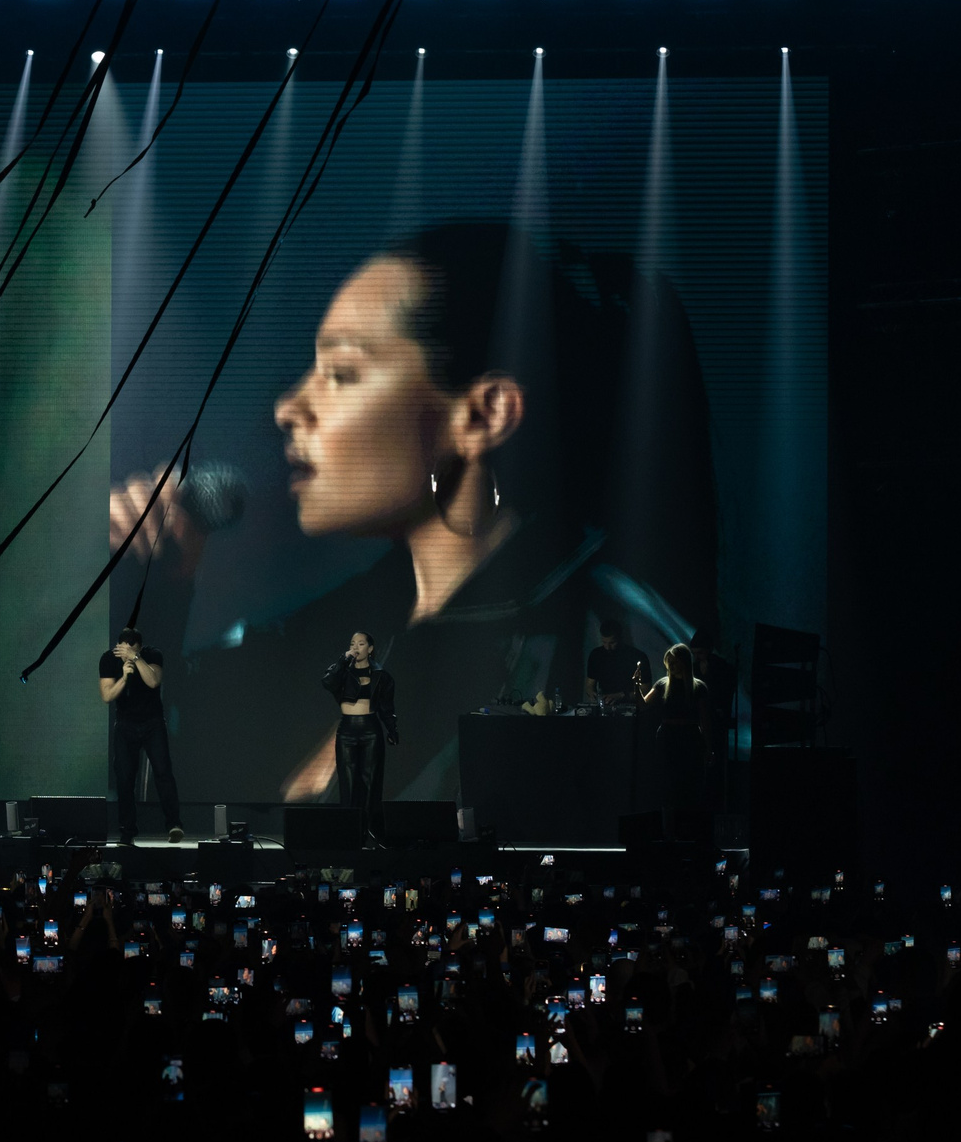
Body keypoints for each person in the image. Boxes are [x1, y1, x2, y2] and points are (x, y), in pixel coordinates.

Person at [110, 220, 719, 810]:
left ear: (483, 415)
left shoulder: (611, 637)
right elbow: (161, 785)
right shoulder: (330, 634)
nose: (288, 407)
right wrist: (160, 592)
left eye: (342, 374)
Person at [99, 626, 182, 842]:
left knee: (163, 772)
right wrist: (124, 678)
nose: (127, 654)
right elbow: (107, 695)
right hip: (125, 724)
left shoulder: (152, 654)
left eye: (133, 650)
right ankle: (127, 830)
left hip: (152, 722)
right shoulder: (108, 660)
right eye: (124, 651)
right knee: (125, 778)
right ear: (118, 648)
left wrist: (136, 659)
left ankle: (173, 824)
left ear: (140, 647)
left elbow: (153, 681)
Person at [321, 631, 399, 827]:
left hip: (370, 730)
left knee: (370, 782)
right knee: (347, 782)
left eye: (361, 643)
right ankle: (350, 830)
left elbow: (386, 707)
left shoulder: (381, 675)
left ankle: (370, 831)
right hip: (347, 730)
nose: (356, 647)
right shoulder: (342, 672)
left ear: (370, 648)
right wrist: (342, 661)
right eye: (353, 643)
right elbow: (327, 682)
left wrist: (391, 729)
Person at [637, 643, 709, 839]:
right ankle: (669, 832)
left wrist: (708, 747)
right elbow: (643, 705)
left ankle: (689, 831)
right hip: (669, 738)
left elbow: (705, 721)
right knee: (669, 784)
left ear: (684, 662)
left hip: (690, 739)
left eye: (675, 662)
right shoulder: (662, 684)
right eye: (670, 663)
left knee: (689, 785)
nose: (672, 666)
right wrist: (636, 686)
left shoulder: (698, 687)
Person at [586, 618, 649, 710]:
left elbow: (646, 690)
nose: (607, 647)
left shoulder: (637, 656)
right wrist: (594, 696)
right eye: (604, 642)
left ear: (620, 638)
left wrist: (621, 696)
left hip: (631, 709)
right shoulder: (596, 655)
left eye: (612, 643)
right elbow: (589, 686)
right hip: (606, 708)